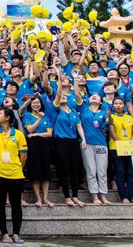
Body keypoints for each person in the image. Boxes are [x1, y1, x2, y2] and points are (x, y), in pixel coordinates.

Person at [0, 108, 28, 244]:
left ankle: (16, 233)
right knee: (0, 204)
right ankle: (4, 233)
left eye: (0, 114)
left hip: (16, 174)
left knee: (16, 205)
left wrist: (17, 167)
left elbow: (23, 156)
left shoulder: (19, 134)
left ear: (8, 117)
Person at [46, 70, 88, 207]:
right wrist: (60, 80)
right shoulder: (56, 109)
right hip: (60, 141)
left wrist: (84, 140)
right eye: (61, 96)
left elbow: (79, 126)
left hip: (73, 141)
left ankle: (75, 195)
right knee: (63, 169)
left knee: (74, 169)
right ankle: (66, 196)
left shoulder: (73, 112)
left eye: (65, 96)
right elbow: (58, 93)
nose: (63, 97)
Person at [108, 97, 133, 202]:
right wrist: (121, 143)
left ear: (124, 105)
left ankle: (131, 195)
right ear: (113, 105)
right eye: (116, 103)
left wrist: (130, 142)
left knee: (131, 172)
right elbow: (112, 132)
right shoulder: (111, 117)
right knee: (120, 171)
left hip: (129, 147)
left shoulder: (129, 117)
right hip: (116, 147)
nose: (118, 105)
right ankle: (124, 196)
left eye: (120, 103)